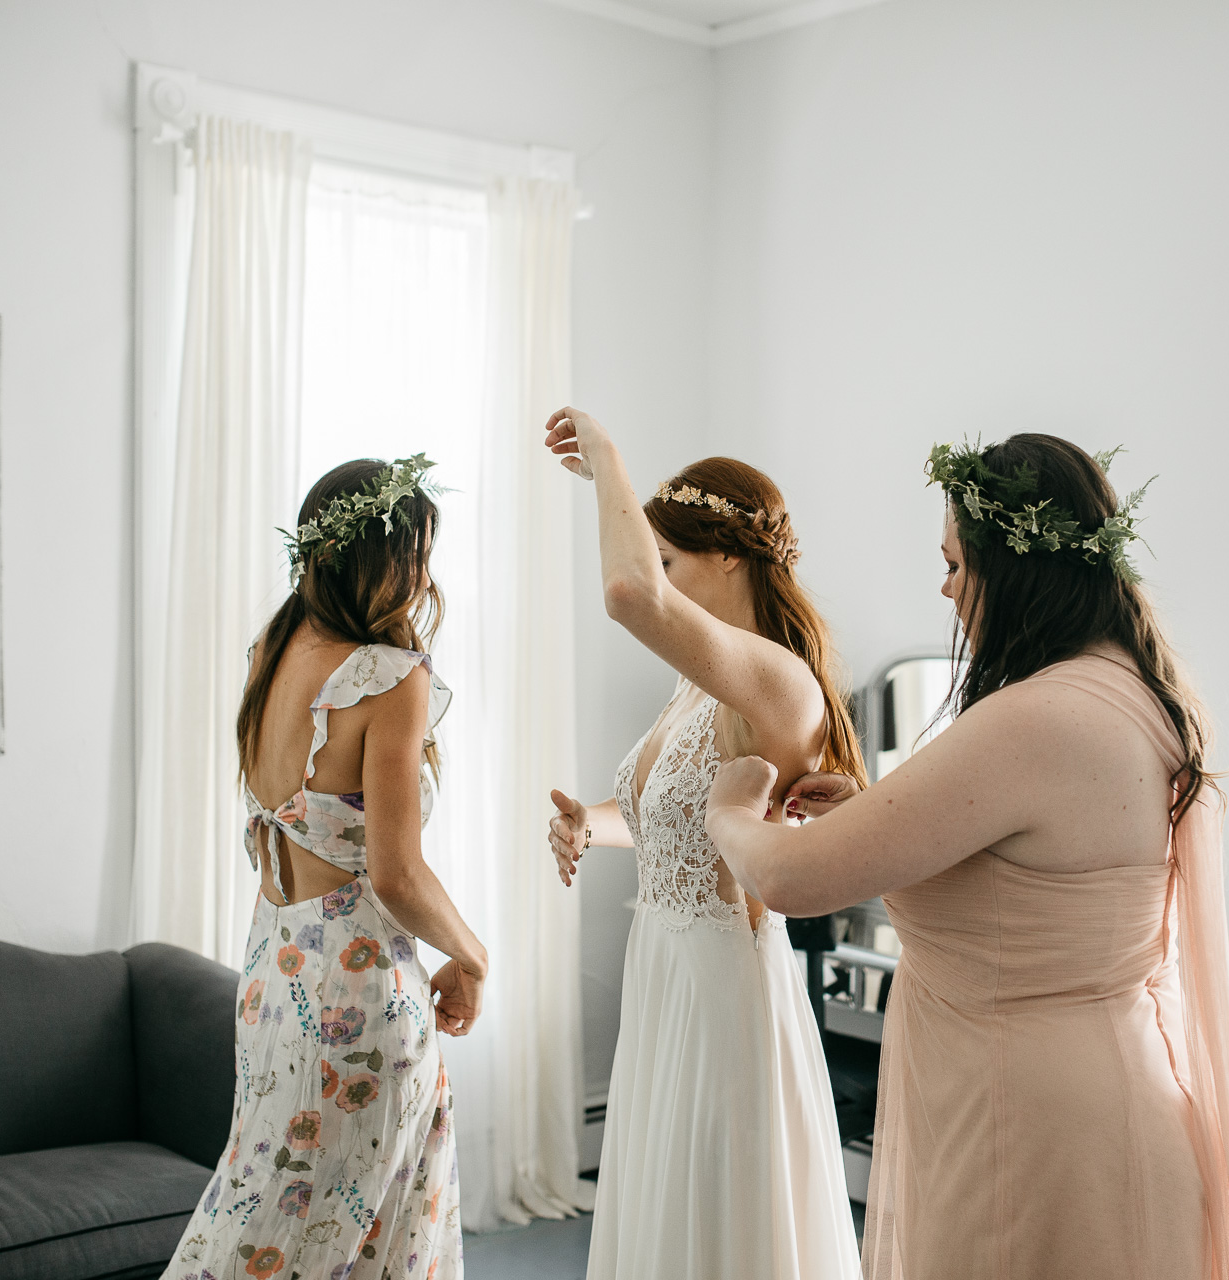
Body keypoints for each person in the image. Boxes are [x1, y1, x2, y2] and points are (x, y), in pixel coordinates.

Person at [705, 434, 1229, 1280]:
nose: (947, 587)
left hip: (1030, 1129)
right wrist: (880, 818)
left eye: (958, 563)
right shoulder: (1143, 693)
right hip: (1110, 1100)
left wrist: (731, 809)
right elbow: (1041, 876)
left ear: (1015, 569)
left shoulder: (1035, 716)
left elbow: (790, 880)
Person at [539, 407, 864, 1280]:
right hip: (664, 972)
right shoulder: (694, 690)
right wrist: (591, 823)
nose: (662, 579)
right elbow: (673, 822)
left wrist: (608, 460)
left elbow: (626, 594)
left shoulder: (779, 679)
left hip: (723, 987)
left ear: (726, 554)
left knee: (716, 1217)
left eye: (672, 558)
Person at [165, 456, 484, 1280]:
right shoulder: (390, 678)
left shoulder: (272, 647)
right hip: (358, 992)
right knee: (367, 1240)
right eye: (415, 555)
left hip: (274, 971)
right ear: (382, 559)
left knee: (260, 1205)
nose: (422, 577)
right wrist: (474, 955)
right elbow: (396, 874)